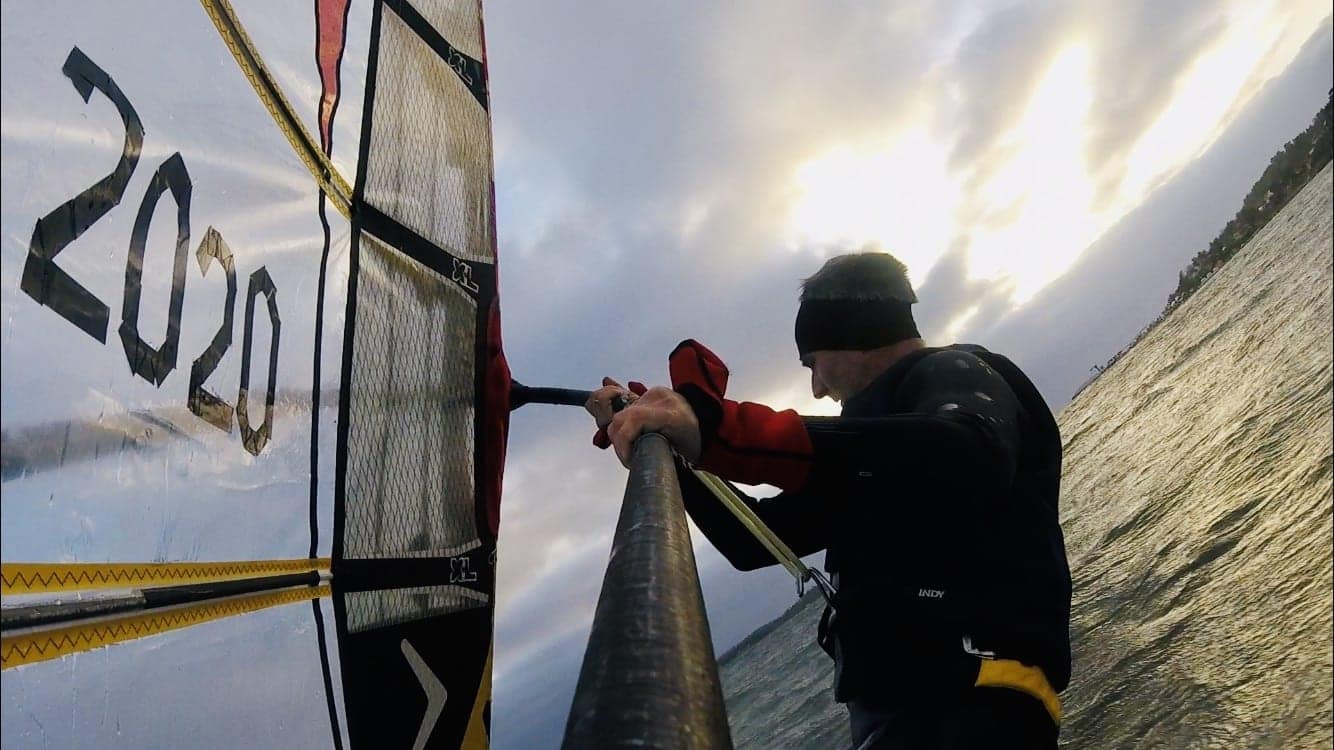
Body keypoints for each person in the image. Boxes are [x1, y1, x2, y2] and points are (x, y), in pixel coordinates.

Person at [585, 252, 1072, 749]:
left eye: (812, 363)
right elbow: (753, 539)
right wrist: (666, 447)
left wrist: (718, 429)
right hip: (896, 719)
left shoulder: (959, 371)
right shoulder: (871, 462)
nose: (816, 388)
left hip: (981, 705)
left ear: (852, 337)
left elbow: (968, 452)